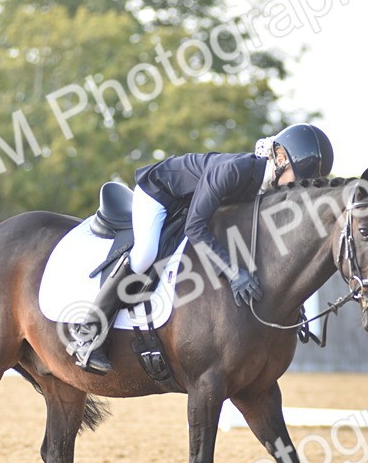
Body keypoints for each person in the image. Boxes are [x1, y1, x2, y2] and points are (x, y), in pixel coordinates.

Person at [72, 123, 334, 374]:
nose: (295, 188)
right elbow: (195, 228)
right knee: (144, 255)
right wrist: (232, 273)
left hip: (187, 203)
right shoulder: (235, 171)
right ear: (279, 158)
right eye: (296, 179)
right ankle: (88, 332)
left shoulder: (269, 189)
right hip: (159, 194)